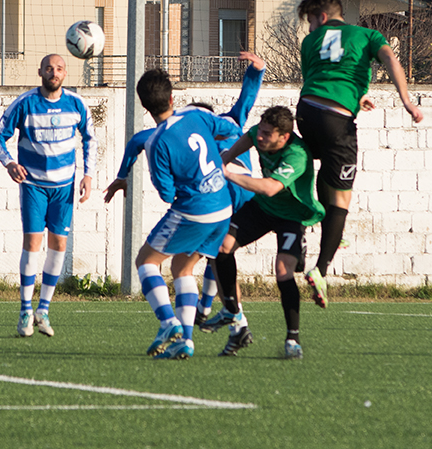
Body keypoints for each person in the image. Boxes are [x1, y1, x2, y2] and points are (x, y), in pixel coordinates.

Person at [111, 52, 265, 322]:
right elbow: (246, 100)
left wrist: (123, 175)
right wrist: (256, 70)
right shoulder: (226, 122)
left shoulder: (203, 125)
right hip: (239, 194)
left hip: (222, 194)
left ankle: (209, 310)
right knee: (215, 252)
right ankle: (210, 310)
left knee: (202, 255)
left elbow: (138, 141)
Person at [294, 0, 422, 309]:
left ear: (322, 18)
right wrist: (406, 100)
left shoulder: (310, 42)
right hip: (337, 122)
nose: (310, 29)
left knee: (314, 171)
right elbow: (390, 58)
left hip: (307, 113)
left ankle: (303, 232)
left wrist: (357, 96)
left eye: (310, 22)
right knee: (341, 197)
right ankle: (321, 269)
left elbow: (322, 77)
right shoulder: (367, 34)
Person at [104, 68, 240, 360]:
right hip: (223, 209)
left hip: (194, 210)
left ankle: (168, 323)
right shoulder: (196, 116)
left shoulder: (156, 142)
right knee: (181, 268)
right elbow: (230, 129)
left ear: (144, 106)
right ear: (172, 97)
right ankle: (185, 341)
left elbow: (166, 193)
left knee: (146, 262)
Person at [0, 53, 96, 338]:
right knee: (33, 243)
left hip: (64, 187)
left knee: (59, 244)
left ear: (65, 73)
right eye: (49, 68)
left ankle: (43, 310)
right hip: (34, 185)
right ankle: (25, 310)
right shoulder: (25, 103)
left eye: (59, 68)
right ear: (40, 72)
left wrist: (88, 174)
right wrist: (10, 163)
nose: (54, 72)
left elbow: (90, 139)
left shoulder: (76, 104)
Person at [215, 106, 325, 358]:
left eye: (267, 134)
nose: (261, 137)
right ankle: (232, 311)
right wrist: (227, 156)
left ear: (283, 137)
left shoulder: (296, 154)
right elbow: (249, 136)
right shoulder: (259, 133)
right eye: (261, 130)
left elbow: (269, 187)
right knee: (222, 246)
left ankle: (292, 340)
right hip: (262, 209)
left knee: (283, 271)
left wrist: (228, 173)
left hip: (292, 215)